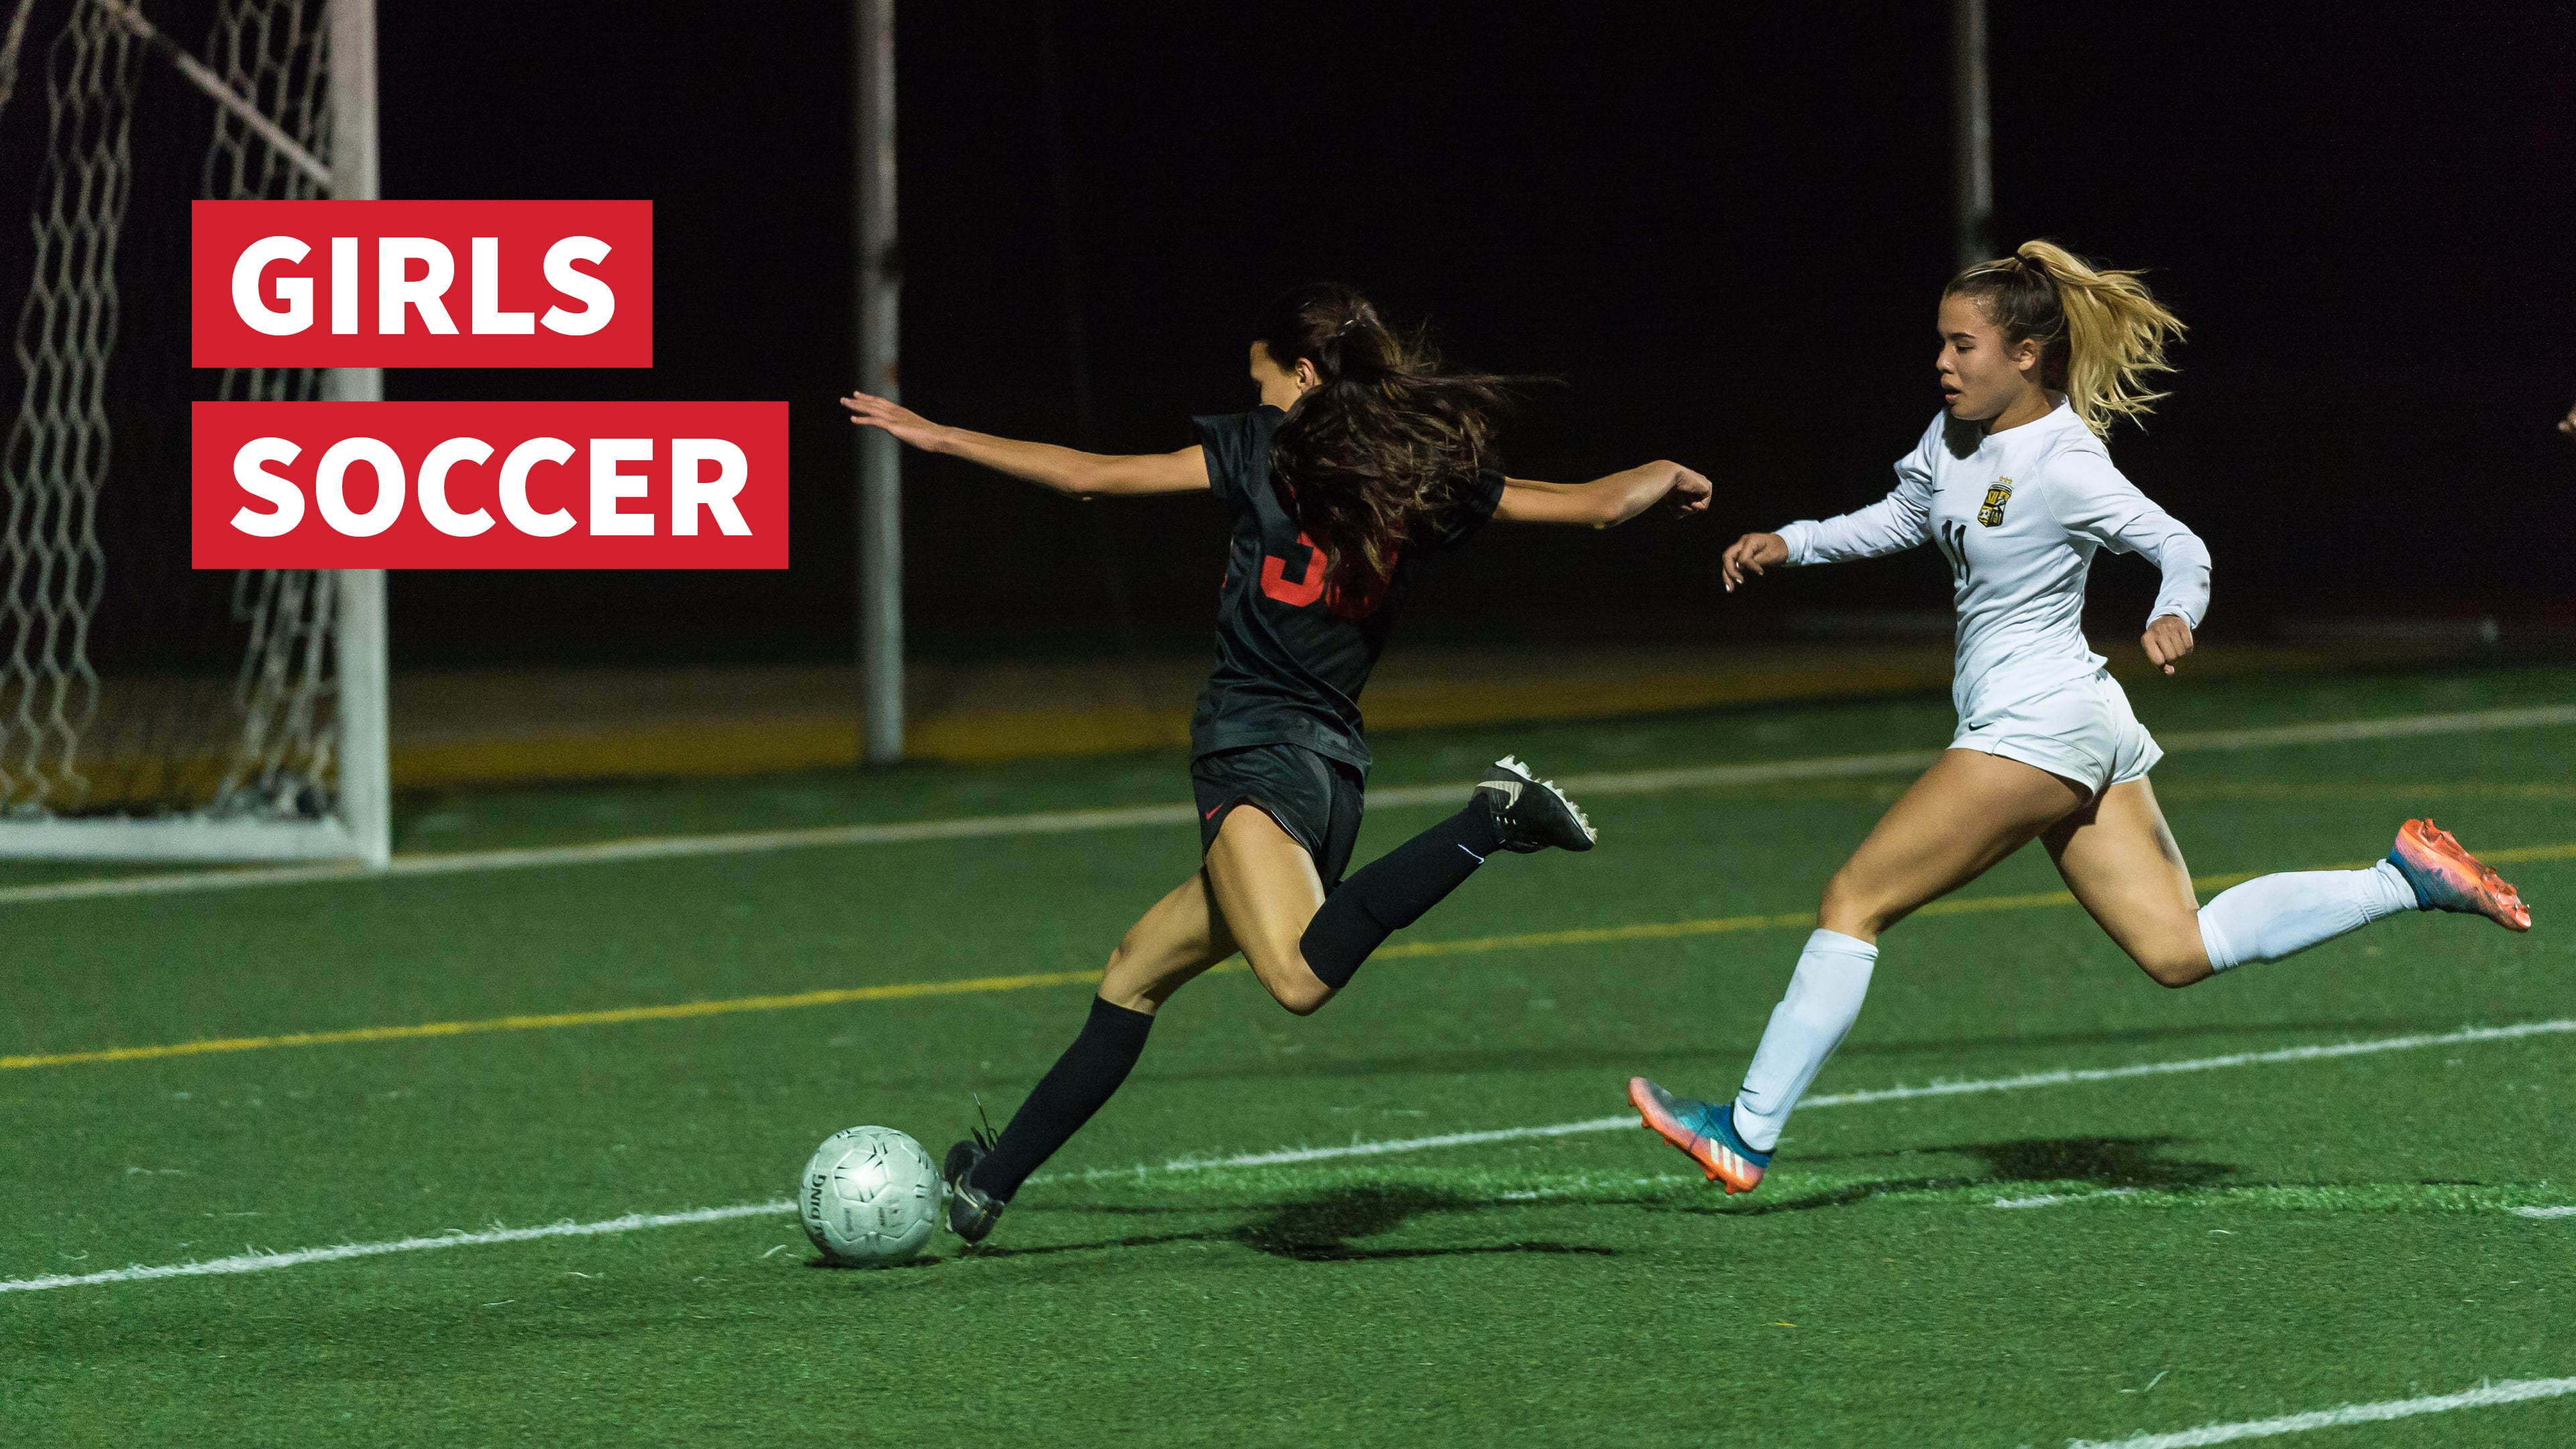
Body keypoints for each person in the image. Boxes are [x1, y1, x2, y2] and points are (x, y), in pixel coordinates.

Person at [1626, 241, 2532, 1195]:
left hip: (2038, 721)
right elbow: (1905, 514)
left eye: (1961, 345)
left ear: (2025, 354)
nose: (1942, 362)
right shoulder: (1952, 436)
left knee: (1855, 900)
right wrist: (1792, 544)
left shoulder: (2065, 461)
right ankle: (2404, 881)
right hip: (2078, 717)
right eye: (1939, 342)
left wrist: (2175, 610)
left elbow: (2178, 545)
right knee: (2181, 948)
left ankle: (1748, 1128)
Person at [843, 281, 1711, 1242]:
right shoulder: (1413, 472)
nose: (1252, 399)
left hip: (1254, 757)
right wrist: (1662, 470)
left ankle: (1491, 820)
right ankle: (986, 1186)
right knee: (1134, 971)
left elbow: (1091, 476)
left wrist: (943, 437)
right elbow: (1592, 507)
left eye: (1261, 380)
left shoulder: (1261, 450)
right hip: (1330, 776)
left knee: (1298, 980)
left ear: (1302, 375)